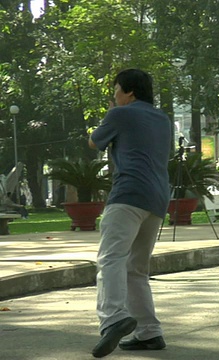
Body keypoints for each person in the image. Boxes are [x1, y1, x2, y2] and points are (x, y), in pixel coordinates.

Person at [88, 69, 171, 357]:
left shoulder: (119, 115)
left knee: (110, 258)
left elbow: (94, 142)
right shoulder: (163, 119)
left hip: (127, 194)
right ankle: (149, 332)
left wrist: (111, 115)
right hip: (158, 199)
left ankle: (113, 317)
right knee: (136, 269)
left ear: (129, 92)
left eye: (116, 93)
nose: (115, 97)